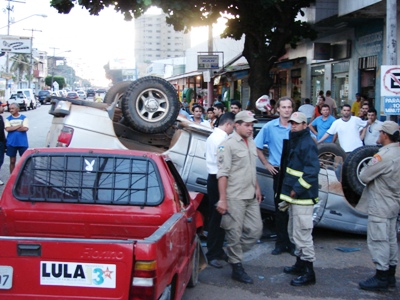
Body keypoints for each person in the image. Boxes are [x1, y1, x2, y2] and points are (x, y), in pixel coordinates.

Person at [216, 110, 263, 284]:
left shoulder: (250, 142)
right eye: (247, 125)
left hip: (250, 194)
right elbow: (222, 174)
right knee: (234, 233)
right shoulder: (226, 145)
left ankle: (232, 253)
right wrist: (222, 199)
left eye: (252, 125)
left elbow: (252, 168)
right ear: (237, 125)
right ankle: (237, 266)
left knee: (256, 230)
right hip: (234, 196)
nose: (251, 129)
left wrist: (257, 187)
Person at [357, 121, 400, 292]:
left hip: (380, 204)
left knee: (378, 240)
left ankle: (381, 276)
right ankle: (390, 275)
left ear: (385, 135)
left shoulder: (383, 156)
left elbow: (364, 175)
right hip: (394, 203)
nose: (378, 135)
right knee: (390, 240)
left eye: (380, 132)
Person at [280, 112, 319, 286]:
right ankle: (300, 264)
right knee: (293, 232)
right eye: (291, 123)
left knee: (303, 235)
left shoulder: (307, 143)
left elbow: (311, 172)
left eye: (296, 123)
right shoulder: (296, 140)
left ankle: (309, 273)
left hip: (303, 198)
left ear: (305, 125)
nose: (293, 126)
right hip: (294, 198)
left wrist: (296, 189)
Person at [254, 96, 295, 256]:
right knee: (280, 208)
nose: (286, 110)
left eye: (289, 107)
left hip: (294, 173)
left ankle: (291, 242)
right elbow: (257, 146)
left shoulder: (296, 126)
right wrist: (266, 164)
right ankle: (281, 243)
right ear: (278, 109)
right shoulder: (270, 127)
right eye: (283, 107)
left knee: (294, 209)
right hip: (278, 171)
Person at [205, 112, 235, 269]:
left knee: (221, 217)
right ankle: (212, 254)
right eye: (233, 126)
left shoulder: (214, 136)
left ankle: (218, 250)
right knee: (216, 219)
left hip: (215, 179)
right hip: (217, 179)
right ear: (228, 124)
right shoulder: (221, 139)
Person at [5, 103, 29, 174]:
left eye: (13, 108)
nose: (11, 110)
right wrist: (18, 126)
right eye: (10, 108)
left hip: (22, 142)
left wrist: (12, 127)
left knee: (24, 160)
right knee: (12, 161)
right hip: (11, 143)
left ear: (18, 109)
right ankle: (12, 176)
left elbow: (25, 128)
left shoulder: (24, 117)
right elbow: (8, 129)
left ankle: (25, 175)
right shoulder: (8, 119)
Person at [0, 102, 7, 185]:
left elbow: (2, 132)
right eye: (2, 107)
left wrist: (4, 142)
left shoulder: (1, 117)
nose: (3, 108)